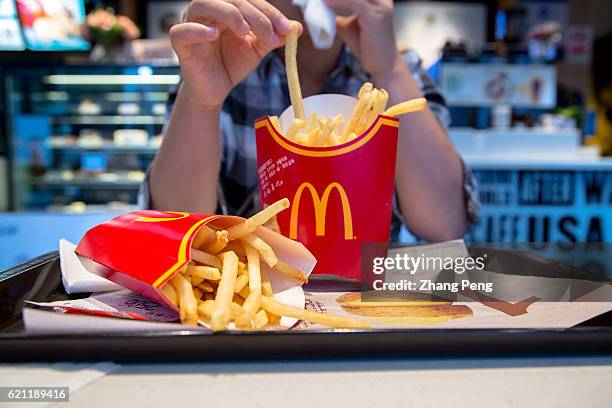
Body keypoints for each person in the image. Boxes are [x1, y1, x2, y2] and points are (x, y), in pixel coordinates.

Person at [143, 0, 479, 242]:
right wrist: (201, 102)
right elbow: (175, 227)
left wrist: (389, 68)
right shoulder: (218, 59)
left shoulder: (398, 67)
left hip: (368, 307)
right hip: (252, 312)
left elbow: (445, 225)